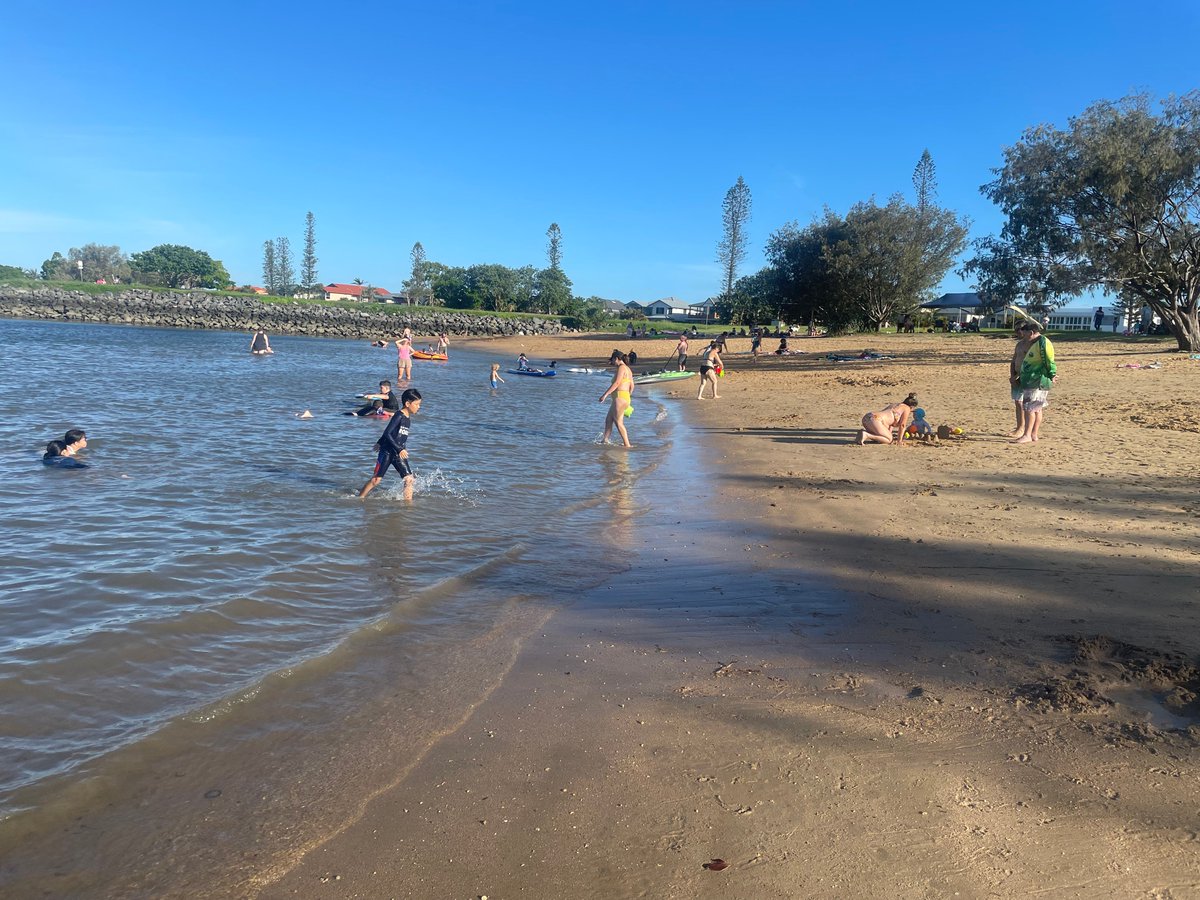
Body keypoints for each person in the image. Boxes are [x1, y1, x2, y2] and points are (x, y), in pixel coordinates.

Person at [358, 388, 422, 500]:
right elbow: (387, 432)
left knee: (409, 479)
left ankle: (408, 505)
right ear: (407, 403)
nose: (418, 407)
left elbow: (392, 432)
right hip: (387, 451)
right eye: (416, 404)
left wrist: (398, 449)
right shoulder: (399, 415)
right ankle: (359, 498)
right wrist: (392, 446)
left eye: (419, 404)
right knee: (376, 480)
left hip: (398, 453)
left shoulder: (408, 418)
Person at [1013, 320, 1057, 444]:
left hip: (1036, 380)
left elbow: (1049, 360)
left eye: (1026, 334)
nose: (1025, 337)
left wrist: (1052, 374)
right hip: (1035, 379)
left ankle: (1027, 434)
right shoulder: (1037, 343)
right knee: (1037, 408)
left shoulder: (1042, 343)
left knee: (1030, 408)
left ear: (1031, 332)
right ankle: (1033, 435)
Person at [1008, 322, 1036, 437]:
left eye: (1020, 329)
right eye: (1016, 330)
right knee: (1017, 401)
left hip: (1027, 377)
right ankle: (1019, 427)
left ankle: (1028, 431)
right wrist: (1012, 375)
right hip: (1016, 376)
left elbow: (1031, 362)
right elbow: (1014, 360)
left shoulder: (1032, 345)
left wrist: (1020, 374)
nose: (1019, 332)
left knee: (1029, 404)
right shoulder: (1019, 344)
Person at [600, 351, 634, 447]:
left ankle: (627, 445)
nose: (612, 363)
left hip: (619, 398)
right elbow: (632, 386)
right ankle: (605, 441)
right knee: (609, 420)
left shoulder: (621, 368)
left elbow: (617, 383)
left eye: (613, 360)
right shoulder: (628, 369)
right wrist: (628, 398)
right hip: (623, 397)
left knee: (619, 423)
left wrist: (605, 395)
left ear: (616, 359)